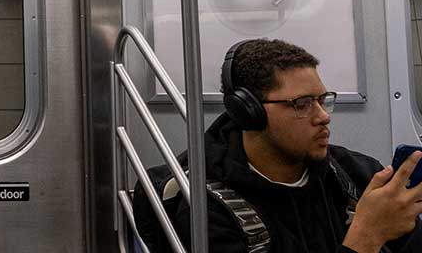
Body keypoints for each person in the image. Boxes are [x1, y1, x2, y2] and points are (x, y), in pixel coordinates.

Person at [135, 39, 422, 252]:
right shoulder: (203, 206)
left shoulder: (353, 175)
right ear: (249, 112)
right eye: (302, 103)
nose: (323, 116)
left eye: (323, 100)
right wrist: (367, 236)